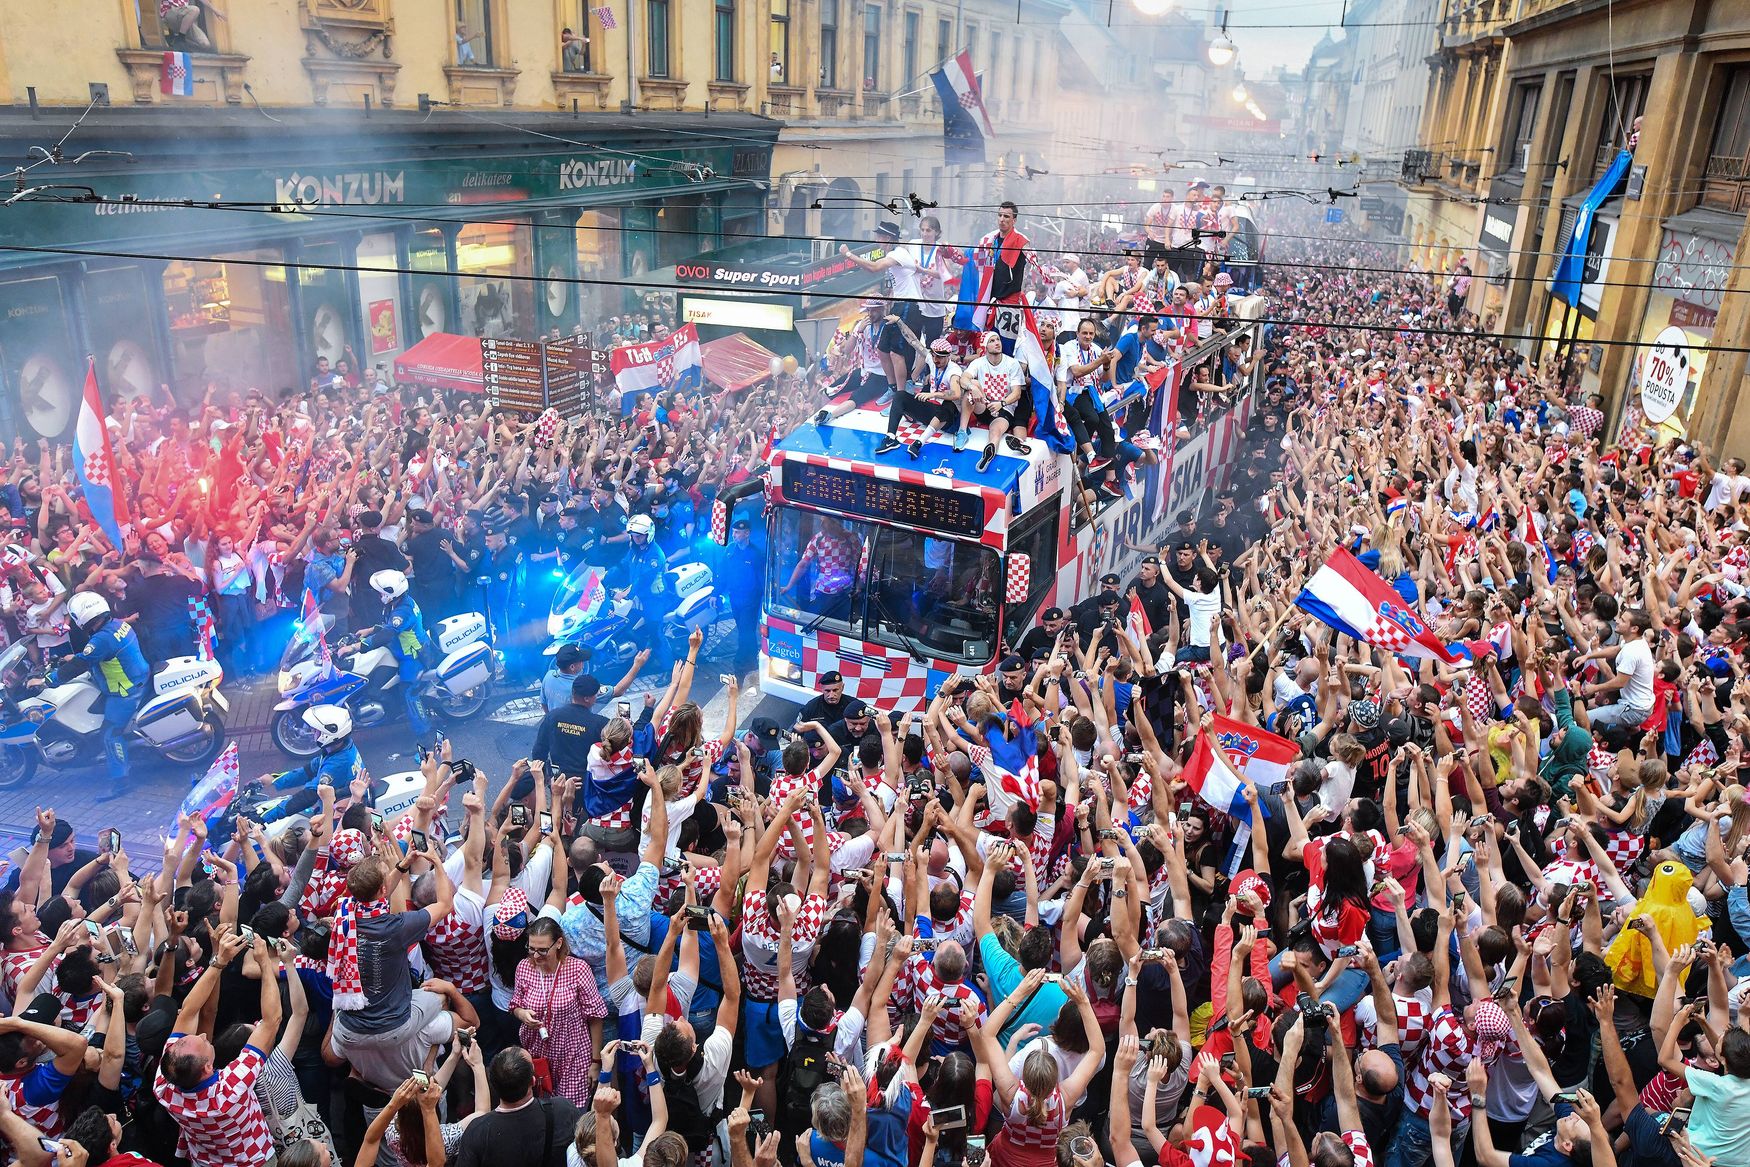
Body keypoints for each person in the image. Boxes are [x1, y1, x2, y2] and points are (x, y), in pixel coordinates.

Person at [38, 592, 148, 802]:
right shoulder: (115, 624)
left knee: (110, 734)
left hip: (125, 691)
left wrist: (48, 680)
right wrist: (77, 658)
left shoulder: (100, 640)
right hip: (136, 677)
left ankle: (121, 781)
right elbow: (91, 656)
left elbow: (80, 664)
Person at [349, 568, 435, 744]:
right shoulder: (397, 604)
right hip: (398, 650)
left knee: (408, 693)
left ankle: (425, 736)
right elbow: (387, 627)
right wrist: (369, 630)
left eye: (380, 592)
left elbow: (387, 634)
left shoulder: (402, 612)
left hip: (413, 657)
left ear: (391, 593)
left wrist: (356, 647)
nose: (378, 595)